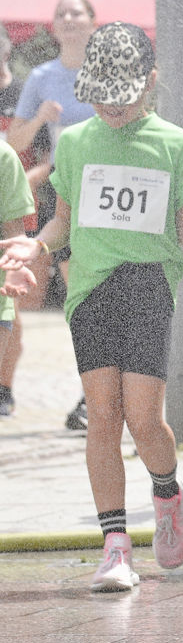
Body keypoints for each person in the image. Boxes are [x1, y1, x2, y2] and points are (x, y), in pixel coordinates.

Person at [0, 22, 183, 591]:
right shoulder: (75, 143)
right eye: (100, 96)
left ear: (150, 83)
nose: (112, 107)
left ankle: (168, 491)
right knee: (102, 414)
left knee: (144, 418)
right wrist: (35, 243)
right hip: (91, 291)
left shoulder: (174, 144)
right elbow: (62, 222)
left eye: (123, 96)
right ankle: (115, 544)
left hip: (149, 284)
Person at [11, 0, 96, 430]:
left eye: (76, 13)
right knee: (81, 301)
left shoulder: (106, 72)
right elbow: (17, 143)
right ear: (53, 25)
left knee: (109, 297)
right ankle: (92, 398)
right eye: (61, 13)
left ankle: (106, 392)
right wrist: (39, 117)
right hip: (64, 201)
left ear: (92, 22)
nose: (68, 19)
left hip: (108, 197)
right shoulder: (42, 78)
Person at [0, 23, 37, 418]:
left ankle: (4, 385)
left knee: (14, 304)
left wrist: (22, 183)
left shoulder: (21, 91)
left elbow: (42, 152)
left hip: (18, 198)